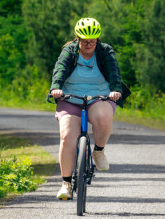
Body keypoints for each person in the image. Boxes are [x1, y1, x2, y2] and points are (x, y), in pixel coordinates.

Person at [49, 17, 124, 200]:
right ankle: (66, 183)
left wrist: (115, 90)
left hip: (99, 96)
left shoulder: (105, 51)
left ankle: (98, 151)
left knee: (104, 118)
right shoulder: (70, 51)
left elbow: (114, 71)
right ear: (77, 38)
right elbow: (60, 68)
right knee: (67, 136)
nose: (89, 44)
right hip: (70, 97)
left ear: (98, 38)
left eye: (93, 40)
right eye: (84, 40)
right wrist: (56, 87)